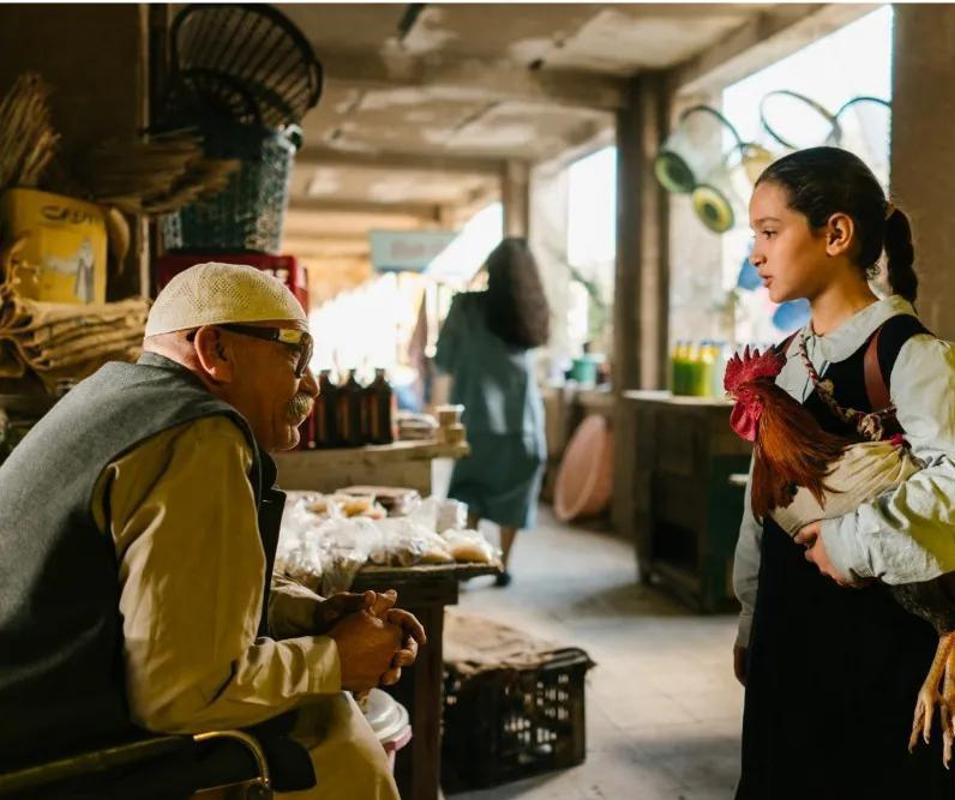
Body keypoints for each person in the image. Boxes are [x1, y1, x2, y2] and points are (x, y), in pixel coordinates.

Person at [0, 262, 425, 799]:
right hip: (54, 760)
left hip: (33, 721)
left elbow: (164, 593)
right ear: (215, 350)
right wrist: (337, 659)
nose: (311, 382)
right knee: (334, 736)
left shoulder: (107, 397)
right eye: (296, 352)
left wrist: (309, 614)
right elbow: (179, 695)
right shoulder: (199, 437)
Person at [732, 148, 955, 798]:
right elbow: (763, 504)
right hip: (789, 635)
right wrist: (752, 618)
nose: (756, 253)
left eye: (771, 232)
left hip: (878, 647)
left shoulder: (918, 360)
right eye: (755, 235)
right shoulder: (786, 364)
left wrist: (851, 543)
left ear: (836, 234)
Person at [433, 238, 549, 586]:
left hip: (478, 422)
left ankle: (469, 563)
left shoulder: (466, 308)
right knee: (515, 496)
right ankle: (502, 564)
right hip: (524, 425)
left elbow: (444, 360)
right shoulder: (531, 312)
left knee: (470, 493)